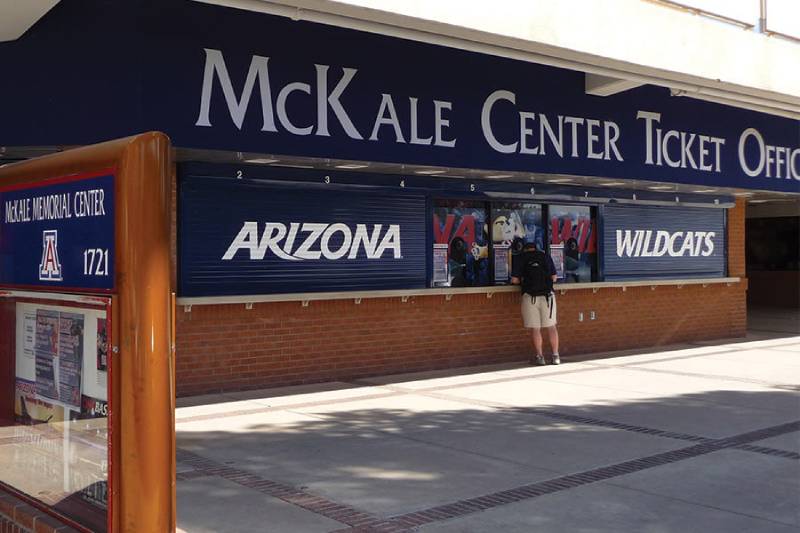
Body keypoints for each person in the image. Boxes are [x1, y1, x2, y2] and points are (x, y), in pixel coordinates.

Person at [511, 242, 560, 365]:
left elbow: (514, 280)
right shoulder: (545, 256)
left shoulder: (520, 258)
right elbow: (554, 277)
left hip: (530, 297)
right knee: (552, 327)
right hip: (548, 297)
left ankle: (540, 357)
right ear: (535, 248)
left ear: (525, 249)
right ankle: (555, 356)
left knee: (536, 329)